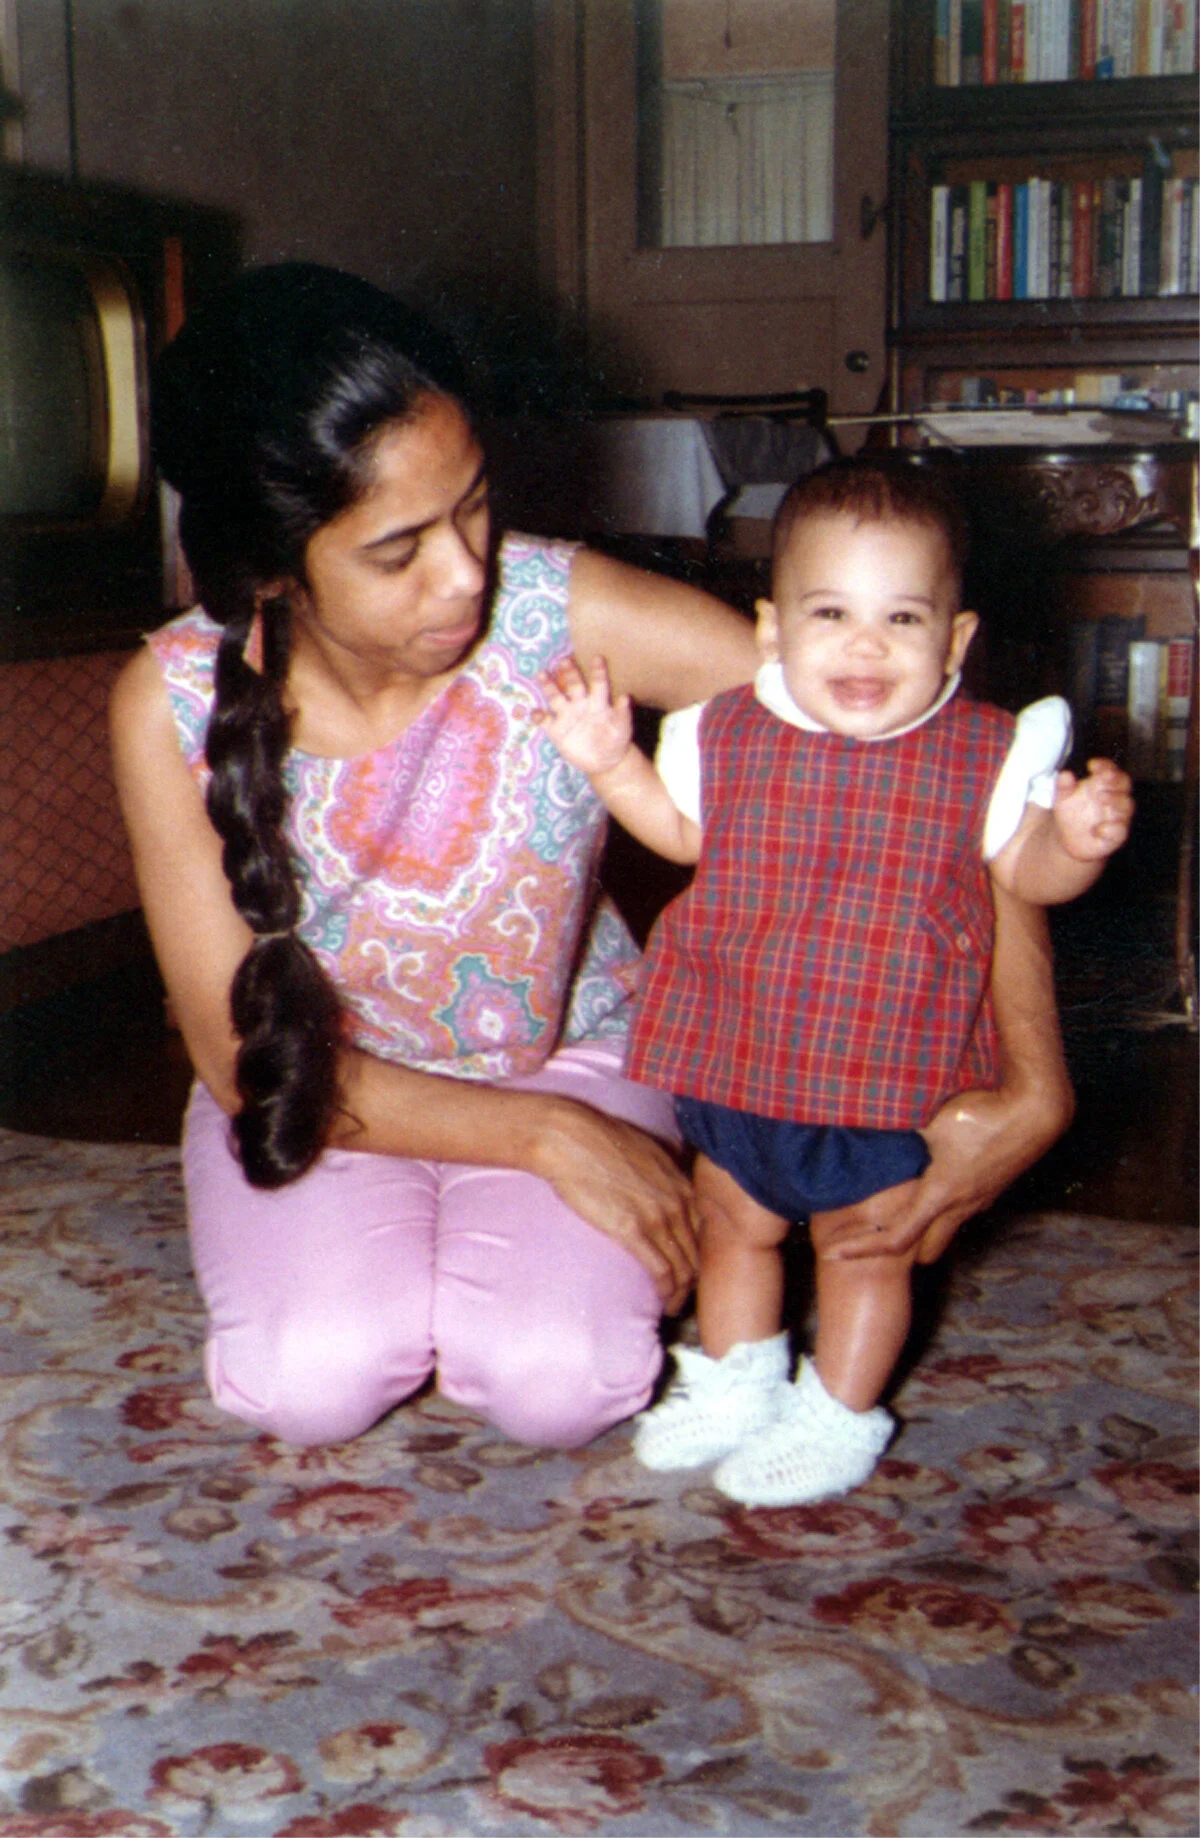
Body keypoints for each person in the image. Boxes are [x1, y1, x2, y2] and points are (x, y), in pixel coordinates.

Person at [110, 263, 1075, 1457]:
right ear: (271, 567)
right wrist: (548, 1140)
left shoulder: (559, 611)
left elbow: (919, 765)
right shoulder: (167, 705)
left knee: (565, 1382)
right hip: (318, 1089)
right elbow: (242, 1056)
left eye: (473, 504)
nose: (468, 570)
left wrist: (1032, 1077)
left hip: (570, 1049)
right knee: (310, 1379)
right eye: (400, 547)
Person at [538, 456, 1132, 1501]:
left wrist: (1076, 840)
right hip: (737, 1052)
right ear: (772, 631)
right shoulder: (721, 732)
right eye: (831, 613)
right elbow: (677, 834)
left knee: (867, 1250)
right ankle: (735, 1380)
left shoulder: (983, 755)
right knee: (734, 1221)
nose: (865, 644)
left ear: (954, 640)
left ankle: (839, 1411)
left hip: (885, 1074)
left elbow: (1026, 874)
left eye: (904, 619)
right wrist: (608, 761)